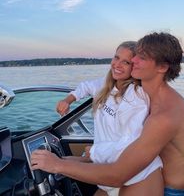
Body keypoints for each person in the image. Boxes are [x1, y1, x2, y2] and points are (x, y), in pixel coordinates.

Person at [31, 32, 184, 196]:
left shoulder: (164, 115)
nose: (134, 60)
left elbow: (118, 174)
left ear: (162, 67)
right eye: (135, 56)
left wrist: (57, 165)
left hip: (169, 190)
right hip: (139, 170)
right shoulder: (146, 95)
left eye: (142, 58)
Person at [55, 40, 163, 196]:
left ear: (135, 66)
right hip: (109, 168)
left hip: (136, 177)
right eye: (116, 57)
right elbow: (86, 87)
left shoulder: (136, 98)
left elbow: (129, 143)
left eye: (125, 62)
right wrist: (68, 100)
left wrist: (94, 152)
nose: (117, 64)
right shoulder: (108, 85)